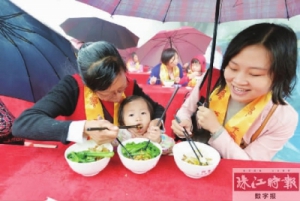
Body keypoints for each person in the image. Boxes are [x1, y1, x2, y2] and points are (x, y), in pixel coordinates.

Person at [171, 23, 298, 161]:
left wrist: (216, 130)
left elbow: (248, 166)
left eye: (255, 74)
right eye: (233, 67)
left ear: (280, 76)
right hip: (190, 160)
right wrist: (183, 122)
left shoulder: (281, 118)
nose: (238, 80)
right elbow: (185, 110)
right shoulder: (210, 80)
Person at [12, 41, 165, 145]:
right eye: (109, 93)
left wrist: (154, 124)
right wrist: (84, 128)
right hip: (85, 163)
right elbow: (23, 124)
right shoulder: (71, 87)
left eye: (121, 89)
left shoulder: (130, 84)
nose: (119, 98)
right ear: (90, 87)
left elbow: (158, 109)